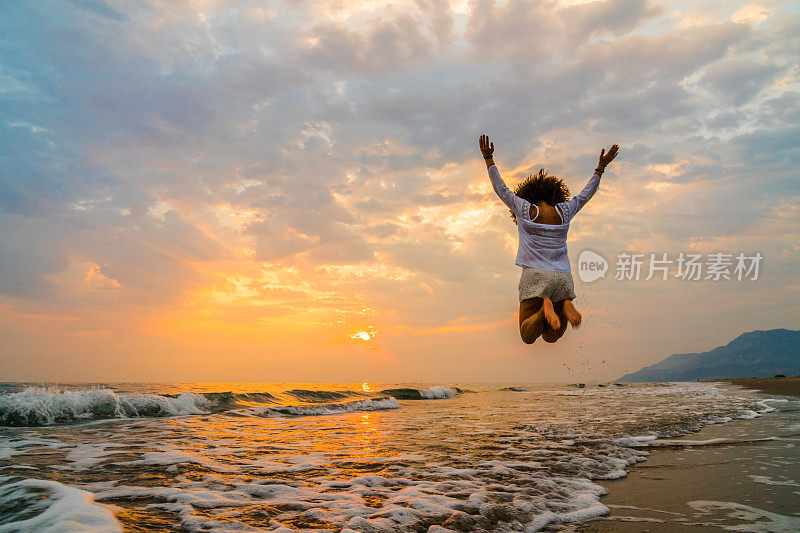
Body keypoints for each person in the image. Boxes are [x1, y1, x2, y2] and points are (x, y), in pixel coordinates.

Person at [478, 134, 619, 344]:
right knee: (552, 337)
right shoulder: (565, 211)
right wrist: (600, 167)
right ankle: (563, 304)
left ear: (529, 193)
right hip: (562, 277)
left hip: (535, 275)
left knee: (527, 336)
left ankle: (544, 311)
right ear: (557, 194)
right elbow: (585, 195)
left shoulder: (525, 210)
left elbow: (501, 189)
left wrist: (488, 158)